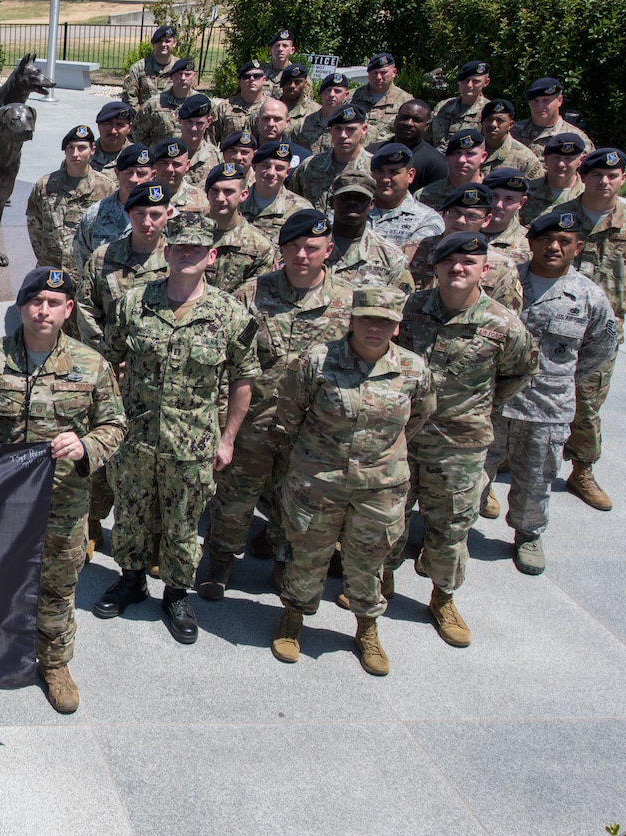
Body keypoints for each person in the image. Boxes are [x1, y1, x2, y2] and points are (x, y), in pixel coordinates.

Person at [0, 267, 125, 713]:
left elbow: (115, 424)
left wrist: (84, 446)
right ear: (22, 307)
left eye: (53, 303)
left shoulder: (91, 365)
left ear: (68, 310)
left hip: (62, 502)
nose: (43, 310)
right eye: (35, 301)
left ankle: (54, 663)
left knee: (57, 586)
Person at [95, 214, 256, 640]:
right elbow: (107, 364)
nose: (187, 254)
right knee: (129, 514)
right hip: (135, 439)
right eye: (180, 247)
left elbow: (244, 380)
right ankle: (131, 579)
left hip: (193, 443)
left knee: (183, 523)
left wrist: (228, 439)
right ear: (166, 252)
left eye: (197, 249)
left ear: (212, 255)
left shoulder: (230, 314)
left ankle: (176, 593)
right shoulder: (134, 302)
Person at [265, 287, 435, 675]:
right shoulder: (317, 361)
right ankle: (294, 615)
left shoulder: (413, 369)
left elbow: (421, 416)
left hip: (380, 485)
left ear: (397, 325)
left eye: (385, 321)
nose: (375, 328)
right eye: (367, 318)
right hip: (319, 479)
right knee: (307, 552)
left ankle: (367, 627)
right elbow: (290, 409)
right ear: (352, 319)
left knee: (369, 559)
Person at [394, 234, 537, 646]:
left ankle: (442, 597)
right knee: (389, 518)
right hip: (403, 435)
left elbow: (521, 371)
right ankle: (379, 580)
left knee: (450, 526)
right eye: (449, 261)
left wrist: (477, 407)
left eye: (468, 262)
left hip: (460, 445)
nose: (458, 268)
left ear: (484, 270)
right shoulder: (410, 310)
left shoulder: (502, 324)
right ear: (435, 267)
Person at [202, 208, 353, 592]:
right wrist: (223, 425)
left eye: (312, 248)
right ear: (280, 250)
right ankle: (220, 561)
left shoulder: (349, 304)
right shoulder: (253, 293)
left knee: (298, 505)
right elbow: (225, 359)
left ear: (329, 250)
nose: (302, 255)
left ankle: (285, 564)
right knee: (234, 499)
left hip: (314, 430)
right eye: (293, 247)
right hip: (254, 420)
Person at [487, 209, 618, 573]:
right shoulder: (506, 283)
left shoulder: (588, 296)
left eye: (564, 242)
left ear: (578, 248)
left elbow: (601, 347)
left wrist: (561, 379)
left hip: (547, 407)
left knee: (536, 476)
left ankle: (528, 533)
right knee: (473, 472)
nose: (554, 247)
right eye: (546, 240)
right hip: (495, 400)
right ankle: (455, 531)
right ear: (531, 243)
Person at [564, 148, 626, 512]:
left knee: (587, 404)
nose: (603, 181)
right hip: (555, 327)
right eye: (596, 175)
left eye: (612, 175)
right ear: (583, 177)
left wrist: (614, 311)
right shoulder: (559, 218)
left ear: (622, 178)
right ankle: (515, 454)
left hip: (599, 335)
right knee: (532, 394)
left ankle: (582, 469)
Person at [78, 181, 171, 351]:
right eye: (139, 214)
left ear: (168, 215)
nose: (146, 222)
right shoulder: (103, 257)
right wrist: (108, 355)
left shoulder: (177, 259)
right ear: (128, 214)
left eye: (155, 214)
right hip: (110, 358)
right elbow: (86, 309)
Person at [410, 185, 523, 312]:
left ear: (486, 220)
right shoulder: (411, 252)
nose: (460, 220)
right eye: (454, 212)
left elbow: (506, 316)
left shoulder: (502, 267)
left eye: (472, 216)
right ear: (442, 214)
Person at [28, 125, 114, 269]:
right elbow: (34, 225)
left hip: (86, 269)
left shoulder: (105, 187)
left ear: (92, 150)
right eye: (70, 148)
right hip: (51, 267)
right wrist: (44, 258)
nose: (75, 153)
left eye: (81, 148)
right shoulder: (45, 184)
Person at [326, 171, 415, 290]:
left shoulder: (390, 257)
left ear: (372, 204)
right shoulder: (310, 248)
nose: (353, 202)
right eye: (345, 197)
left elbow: (402, 304)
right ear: (332, 202)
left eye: (360, 198)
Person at [70, 144, 153, 271]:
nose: (134, 179)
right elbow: (82, 261)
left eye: (141, 173)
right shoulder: (95, 214)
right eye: (128, 172)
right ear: (117, 173)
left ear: (153, 175)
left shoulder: (167, 217)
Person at [201, 162, 277, 294]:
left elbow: (253, 295)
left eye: (228, 191)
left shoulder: (260, 247)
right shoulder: (188, 232)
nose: (220, 198)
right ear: (207, 194)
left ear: (243, 195)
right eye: (214, 190)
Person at [288, 103, 371, 207]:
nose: (343, 135)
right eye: (337, 129)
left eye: (350, 129)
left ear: (364, 130)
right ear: (330, 130)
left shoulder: (374, 168)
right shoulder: (310, 166)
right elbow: (292, 202)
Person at [366, 144, 444, 254]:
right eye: (379, 172)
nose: (385, 179)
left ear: (410, 175)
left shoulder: (427, 220)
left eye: (393, 172)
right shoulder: (353, 211)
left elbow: (413, 261)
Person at [244, 140, 311, 240]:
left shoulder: (301, 209)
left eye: (279, 168)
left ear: (287, 172)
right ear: (254, 167)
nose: (271, 172)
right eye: (265, 166)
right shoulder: (235, 202)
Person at [383, 100, 448, 189]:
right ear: (396, 119)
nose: (409, 123)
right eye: (404, 117)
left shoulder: (436, 163)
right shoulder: (373, 152)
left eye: (417, 120)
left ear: (426, 125)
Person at [524, 132, 587, 225]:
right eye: (556, 158)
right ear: (545, 159)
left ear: (581, 160)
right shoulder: (526, 191)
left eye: (568, 159)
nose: (561, 164)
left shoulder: (588, 195)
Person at [427, 61, 492, 148]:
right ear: (459, 81)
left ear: (486, 82)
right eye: (466, 80)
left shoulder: (489, 111)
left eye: (475, 81)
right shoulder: (443, 106)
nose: (469, 85)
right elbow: (427, 137)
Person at [513, 77, 590, 150]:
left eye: (546, 100)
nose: (540, 106)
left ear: (559, 100)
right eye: (535, 101)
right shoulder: (513, 132)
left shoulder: (576, 138)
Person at [417, 129, 487, 209]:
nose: (461, 160)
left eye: (469, 153)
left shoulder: (494, 194)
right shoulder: (423, 195)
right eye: (456, 153)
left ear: (483, 157)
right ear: (447, 157)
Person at [353, 52, 412, 143]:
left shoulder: (406, 101)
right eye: (374, 73)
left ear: (394, 72)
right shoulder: (351, 97)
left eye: (383, 73)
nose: (378, 77)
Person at [479, 99, 545, 179]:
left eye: (500, 120)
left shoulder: (524, 157)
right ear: (482, 122)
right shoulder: (470, 152)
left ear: (510, 125)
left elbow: (536, 189)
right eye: (489, 119)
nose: (493, 124)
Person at [121, 24, 179, 109]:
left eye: (167, 41)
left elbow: (189, 96)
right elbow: (130, 99)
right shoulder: (139, 68)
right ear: (153, 44)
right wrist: (140, 119)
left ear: (174, 43)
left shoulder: (181, 68)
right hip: (145, 119)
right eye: (159, 41)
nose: (163, 44)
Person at [295, 72, 354, 150]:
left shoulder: (351, 126)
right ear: (321, 94)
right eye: (328, 90)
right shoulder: (303, 123)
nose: (332, 94)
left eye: (337, 91)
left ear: (346, 95)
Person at [178, 95, 223, 186]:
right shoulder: (166, 154)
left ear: (208, 122)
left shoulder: (217, 158)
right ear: (180, 119)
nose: (194, 128)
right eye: (189, 122)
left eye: (199, 123)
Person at [89, 100, 136, 171]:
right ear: (99, 126)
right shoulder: (83, 154)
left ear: (129, 128)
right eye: (108, 124)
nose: (113, 131)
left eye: (120, 125)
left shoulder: (136, 156)